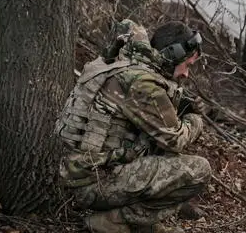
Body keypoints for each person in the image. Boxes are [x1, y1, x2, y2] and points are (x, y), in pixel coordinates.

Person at [54, 19, 212, 233]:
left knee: (163, 156)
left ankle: (138, 224)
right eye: (187, 65)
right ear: (172, 54)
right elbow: (175, 139)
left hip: (82, 174)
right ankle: (116, 220)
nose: (186, 74)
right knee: (199, 170)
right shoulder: (142, 82)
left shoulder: (118, 62)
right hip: (94, 184)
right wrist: (195, 119)